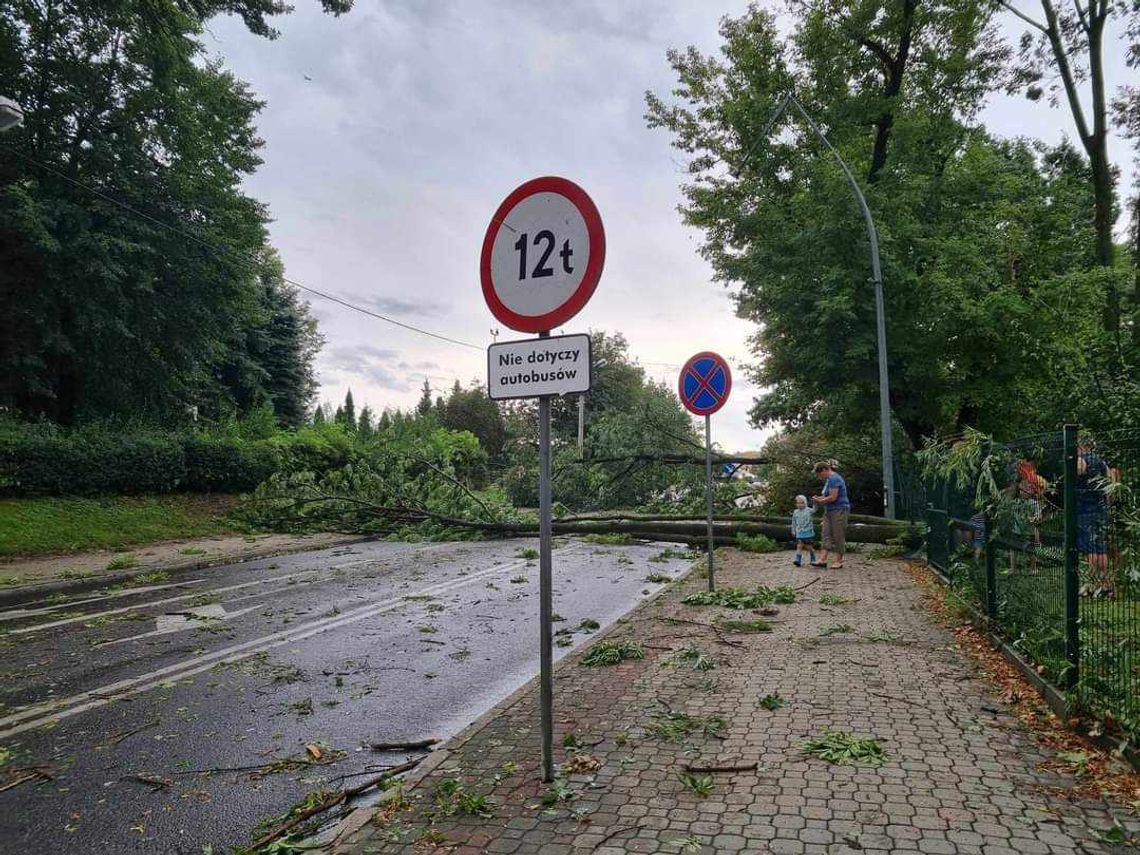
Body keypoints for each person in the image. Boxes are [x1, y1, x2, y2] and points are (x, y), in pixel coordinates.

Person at [1076, 442, 1115, 597]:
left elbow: (1079, 471)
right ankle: (1104, 585)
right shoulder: (1101, 461)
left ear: (1080, 445)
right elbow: (1110, 485)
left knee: (1090, 549)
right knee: (1100, 548)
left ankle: (1091, 584)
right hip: (1100, 509)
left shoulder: (1080, 459)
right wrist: (1107, 504)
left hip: (1084, 510)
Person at [811, 461, 850, 569]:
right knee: (826, 533)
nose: (820, 477)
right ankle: (822, 559)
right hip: (829, 510)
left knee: (838, 534)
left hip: (839, 510)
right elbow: (827, 496)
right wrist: (819, 498)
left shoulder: (835, 479)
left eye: (820, 474)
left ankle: (839, 560)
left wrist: (821, 501)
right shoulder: (828, 480)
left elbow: (833, 497)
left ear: (824, 470)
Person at [790, 495, 816, 567]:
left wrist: (815, 503)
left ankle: (813, 557)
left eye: (802, 503)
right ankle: (798, 559)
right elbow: (794, 522)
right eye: (798, 503)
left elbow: (815, 510)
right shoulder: (795, 512)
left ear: (805, 503)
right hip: (799, 532)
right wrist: (793, 530)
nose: (800, 505)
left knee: (809, 546)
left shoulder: (809, 510)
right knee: (799, 545)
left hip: (808, 532)